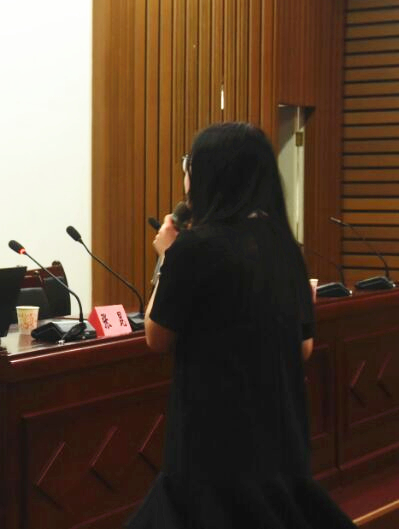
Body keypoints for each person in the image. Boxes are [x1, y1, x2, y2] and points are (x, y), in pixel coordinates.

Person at [128, 123, 356, 528]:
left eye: (189, 164)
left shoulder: (195, 247)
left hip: (212, 438)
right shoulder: (283, 245)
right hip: (278, 432)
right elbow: (303, 346)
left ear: (210, 174)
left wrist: (166, 256)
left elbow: (156, 336)